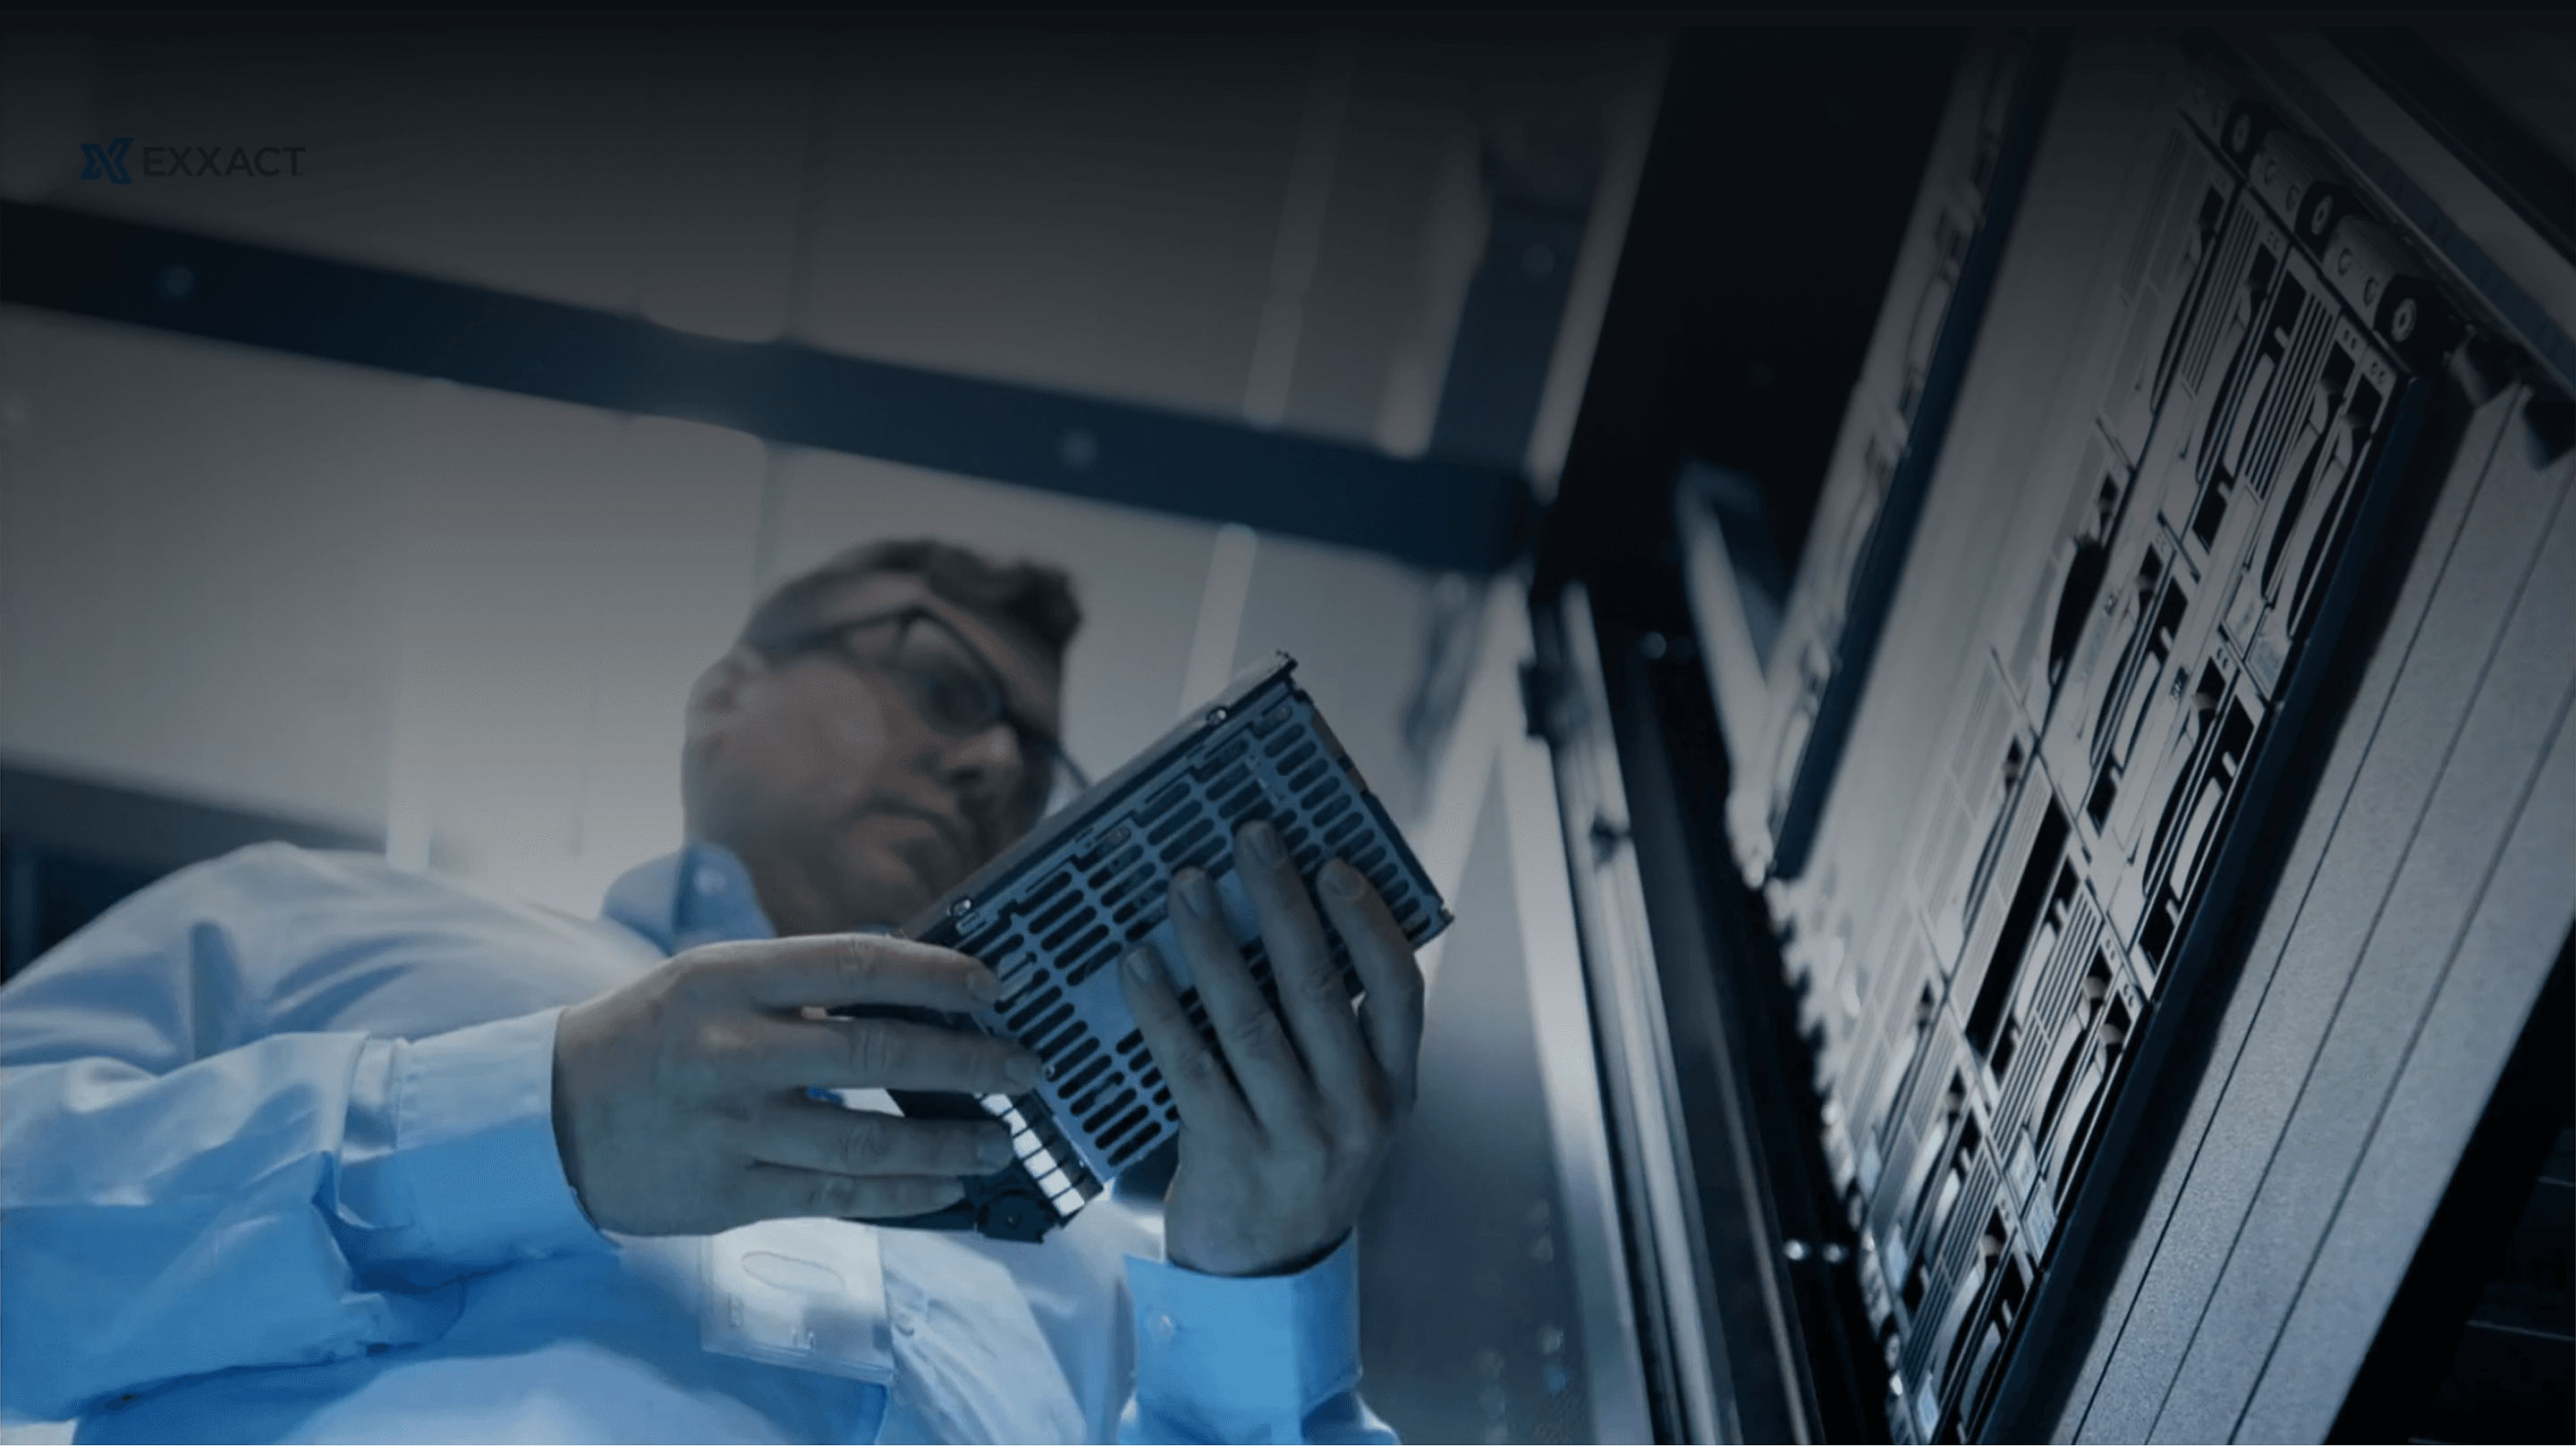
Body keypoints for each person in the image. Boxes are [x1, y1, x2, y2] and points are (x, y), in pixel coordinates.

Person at [0, 538, 1426, 1445]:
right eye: (946, 686)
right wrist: (530, 1123)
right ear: (725, 694)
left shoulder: (1120, 1264)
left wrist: (1254, 1316)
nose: (992, 767)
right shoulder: (307, 916)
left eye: (1033, 762)